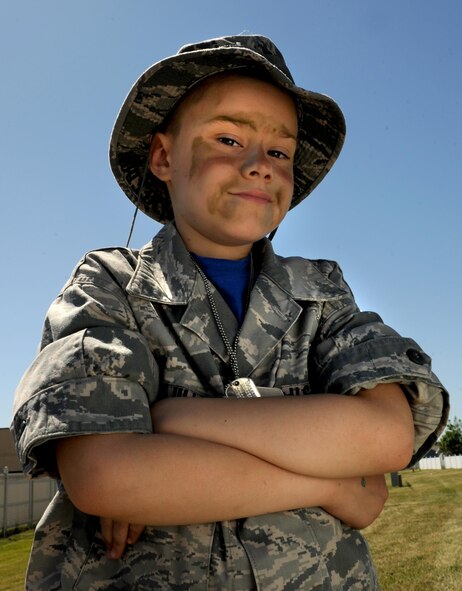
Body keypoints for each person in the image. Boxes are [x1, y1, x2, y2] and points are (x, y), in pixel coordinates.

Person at [12, 35, 449, 590]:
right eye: (227, 138)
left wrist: (172, 421)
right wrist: (332, 486)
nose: (258, 166)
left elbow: (386, 436)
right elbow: (106, 476)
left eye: (279, 152)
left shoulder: (323, 293)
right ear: (164, 157)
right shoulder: (110, 286)